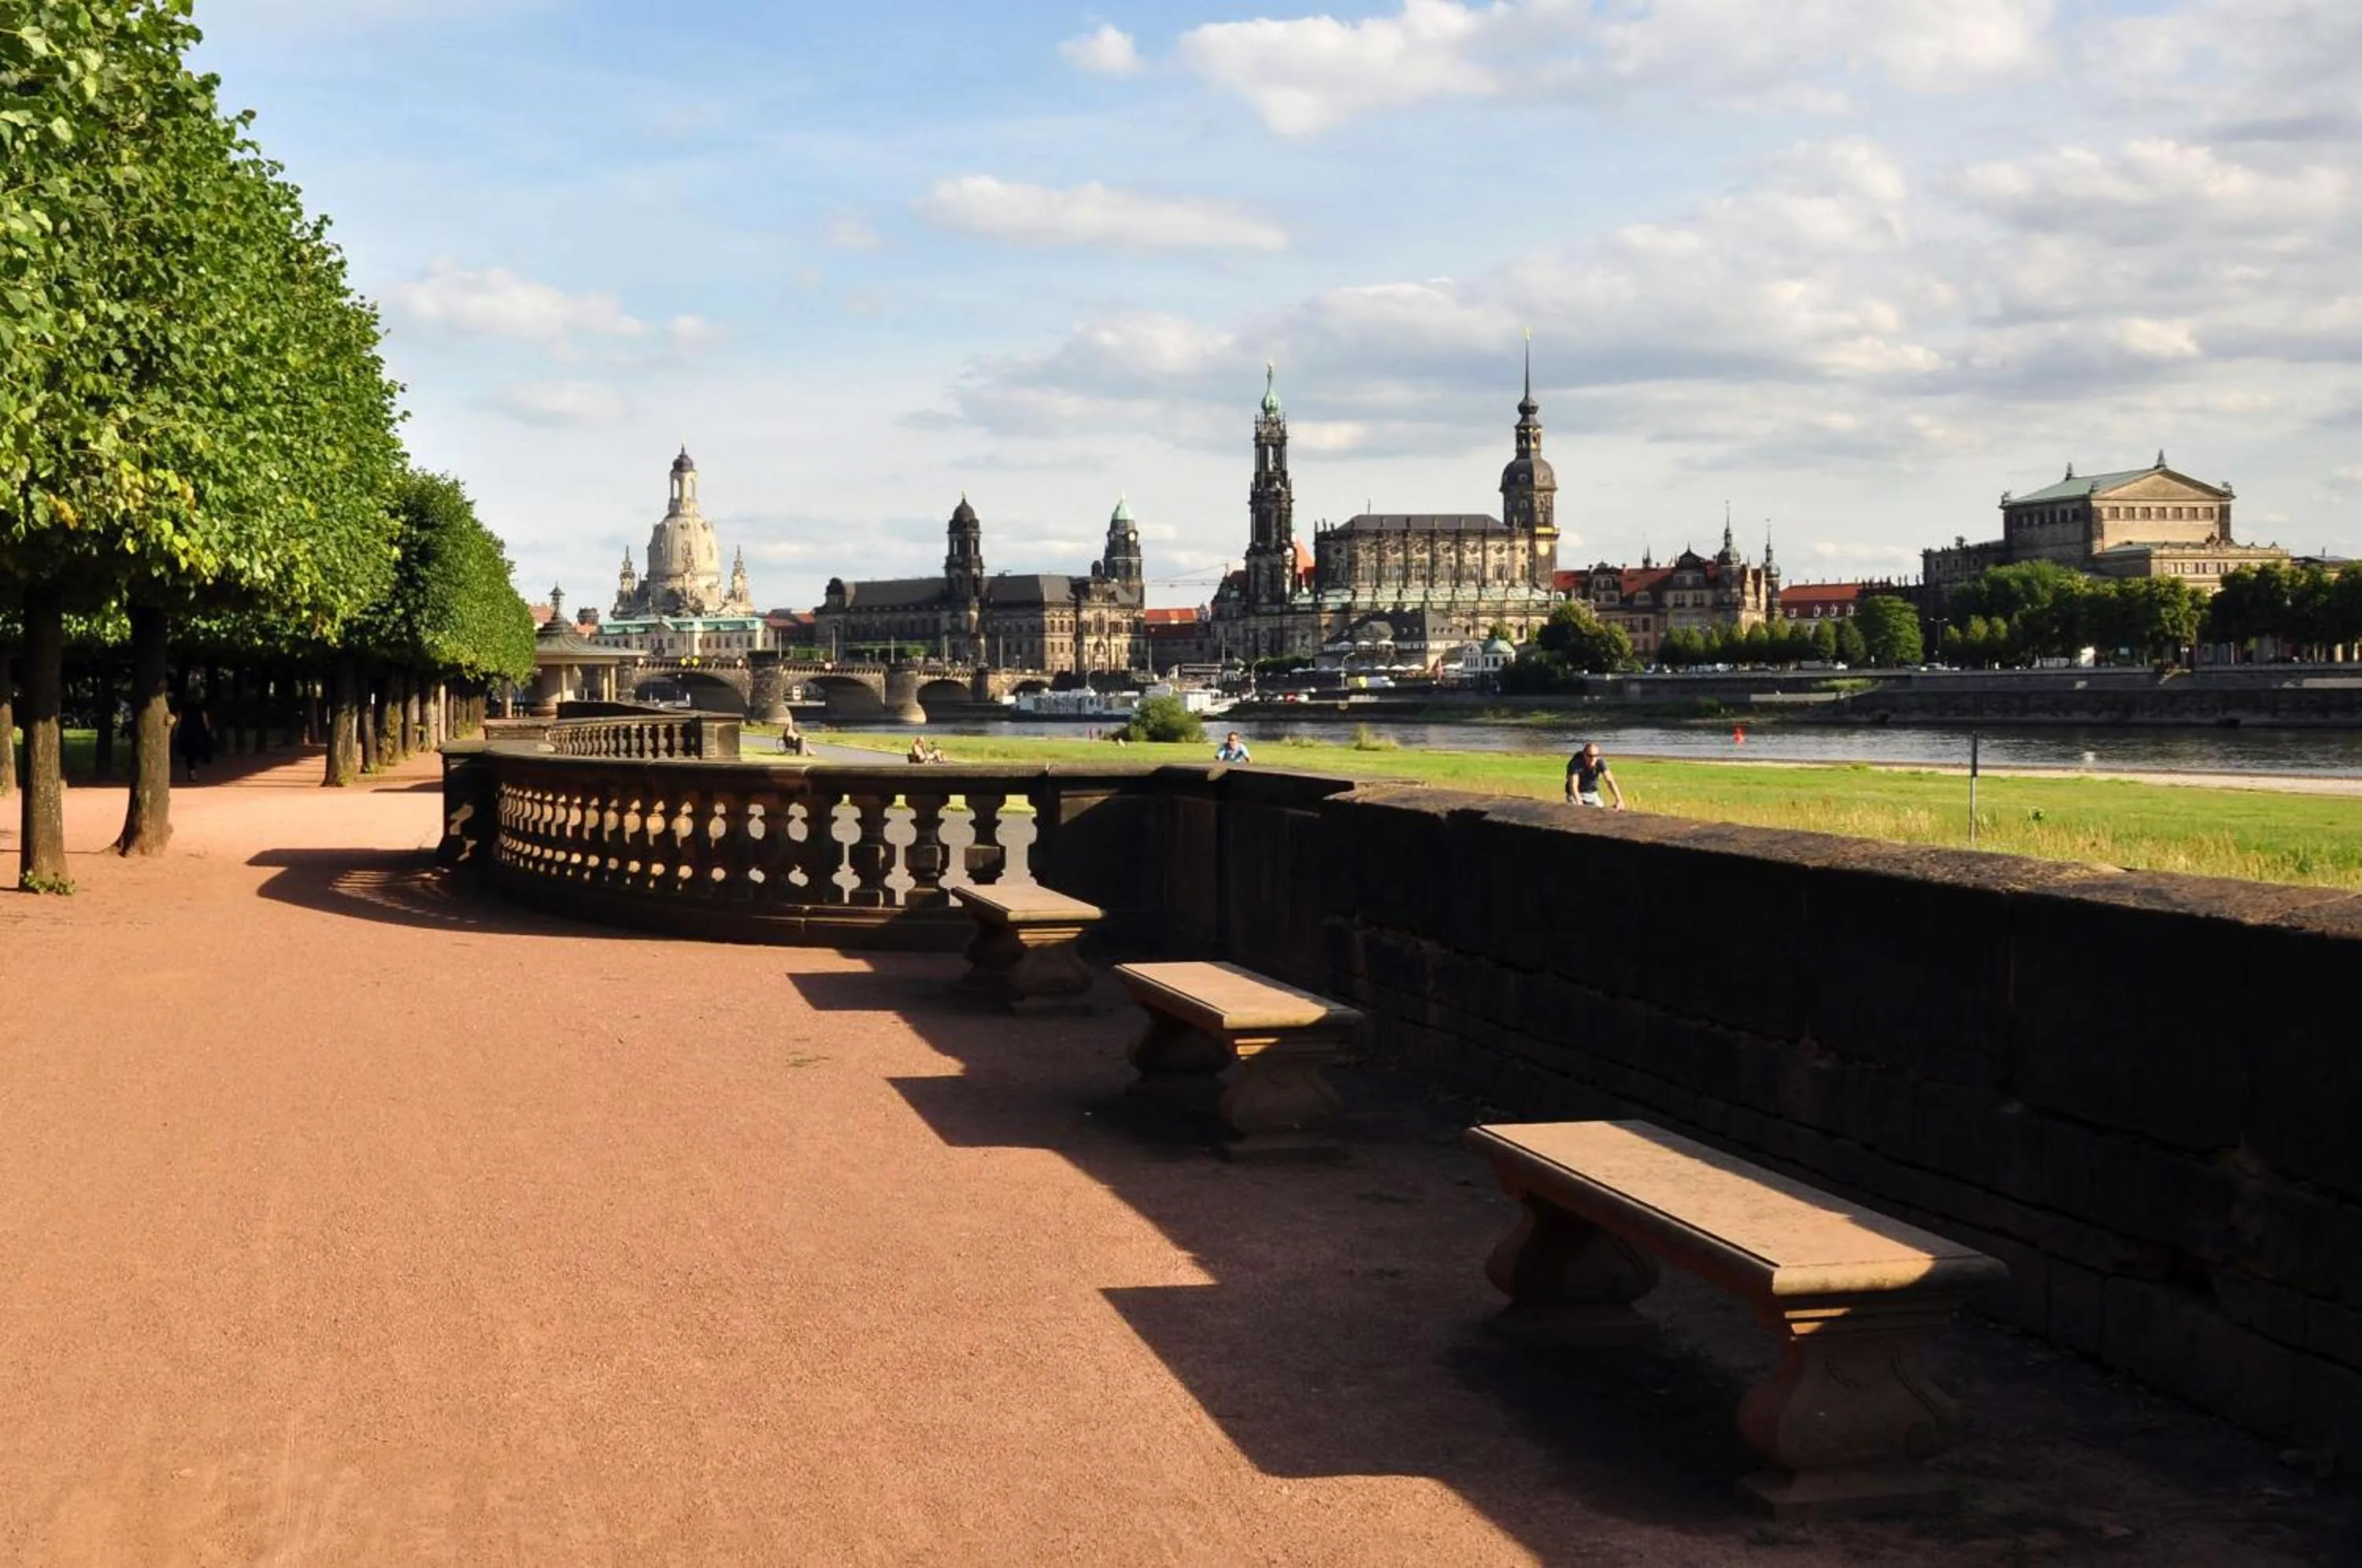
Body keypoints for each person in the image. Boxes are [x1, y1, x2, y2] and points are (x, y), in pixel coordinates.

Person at [1564, 741, 1624, 810]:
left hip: (1592, 794)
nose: (1593, 758)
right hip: (1575, 794)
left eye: (1596, 755)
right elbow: (1573, 785)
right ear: (1584, 755)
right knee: (1576, 810)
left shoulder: (1600, 762)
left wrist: (1619, 799)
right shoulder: (1576, 764)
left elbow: (1610, 781)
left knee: (1601, 811)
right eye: (1590, 756)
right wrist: (1578, 801)